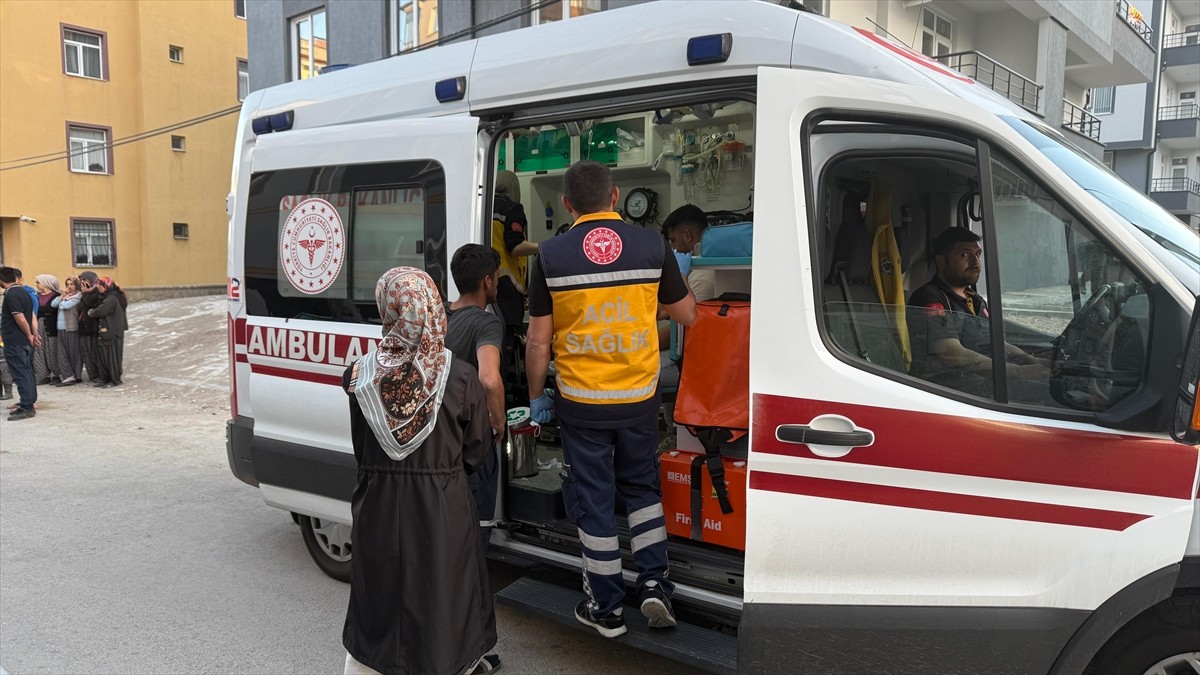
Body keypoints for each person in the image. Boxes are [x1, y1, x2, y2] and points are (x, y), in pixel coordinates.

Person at [525, 160, 696, 638]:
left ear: (566, 204)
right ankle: (656, 584)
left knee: (596, 498)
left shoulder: (551, 255)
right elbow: (688, 316)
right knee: (642, 490)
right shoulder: (651, 245)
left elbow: (538, 342)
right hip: (639, 397)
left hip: (582, 404)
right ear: (616, 196)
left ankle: (606, 608)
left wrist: (538, 395)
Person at [341, 267, 496, 675]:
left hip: (376, 505)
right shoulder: (459, 376)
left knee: (379, 599)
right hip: (441, 507)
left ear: (387, 309)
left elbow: (362, 448)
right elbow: (477, 450)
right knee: (442, 599)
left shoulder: (359, 374)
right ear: (431, 307)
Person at [444, 243, 506, 674]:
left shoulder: (441, 317)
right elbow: (489, 377)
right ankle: (470, 654)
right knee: (474, 553)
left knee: (453, 547)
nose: (499, 283)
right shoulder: (487, 321)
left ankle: (457, 645)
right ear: (487, 282)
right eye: (498, 277)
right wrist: (498, 424)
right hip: (475, 446)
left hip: (444, 445)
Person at [908, 228, 1047, 399]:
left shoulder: (975, 299)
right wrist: (1017, 372)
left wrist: (1030, 360)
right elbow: (950, 353)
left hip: (978, 383)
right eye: (965, 255)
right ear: (941, 261)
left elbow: (992, 341)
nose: (976, 262)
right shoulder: (930, 296)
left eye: (978, 254)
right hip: (947, 391)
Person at [492, 170, 539, 376]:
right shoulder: (513, 209)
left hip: (486, 288)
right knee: (504, 357)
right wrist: (545, 248)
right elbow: (515, 245)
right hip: (507, 293)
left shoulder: (481, 206)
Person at [1, 266, 41, 420]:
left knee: (20, 373)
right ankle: (29, 401)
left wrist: (30, 334)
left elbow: (20, 318)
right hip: (25, 340)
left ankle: (27, 407)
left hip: (16, 340)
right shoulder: (25, 292)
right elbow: (32, 316)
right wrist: (34, 334)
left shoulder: (11, 294)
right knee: (28, 371)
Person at [661, 204, 716, 303]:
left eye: (673, 241)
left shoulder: (699, 278)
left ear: (687, 236)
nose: (672, 248)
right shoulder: (710, 264)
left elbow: (685, 315)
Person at [88, 276, 128, 388]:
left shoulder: (112, 298)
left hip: (112, 331)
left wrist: (91, 312)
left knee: (112, 356)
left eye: (99, 286)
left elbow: (100, 311)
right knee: (104, 356)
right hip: (107, 331)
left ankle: (114, 379)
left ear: (105, 286)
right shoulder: (109, 296)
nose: (97, 288)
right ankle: (105, 378)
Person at [52, 276, 84, 386]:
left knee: (73, 353)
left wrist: (63, 299)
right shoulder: (65, 296)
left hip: (72, 328)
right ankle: (67, 375)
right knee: (62, 353)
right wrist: (62, 295)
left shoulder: (78, 296)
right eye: (67, 284)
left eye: (71, 284)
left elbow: (65, 306)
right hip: (61, 328)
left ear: (76, 285)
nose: (69, 287)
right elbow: (53, 304)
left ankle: (76, 375)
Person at [78, 271, 105, 385]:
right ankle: (92, 375)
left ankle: (99, 375)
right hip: (83, 326)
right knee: (86, 352)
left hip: (93, 327)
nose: (81, 284)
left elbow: (89, 302)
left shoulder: (96, 292)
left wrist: (86, 292)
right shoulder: (84, 292)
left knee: (94, 352)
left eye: (83, 281)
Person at [34, 274, 62, 385]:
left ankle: (56, 374)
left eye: (38, 282)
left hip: (51, 326)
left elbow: (50, 308)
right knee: (39, 350)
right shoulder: (36, 296)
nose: (36, 284)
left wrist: (43, 310)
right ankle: (43, 375)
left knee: (52, 350)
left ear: (46, 283)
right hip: (39, 326)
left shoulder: (56, 295)